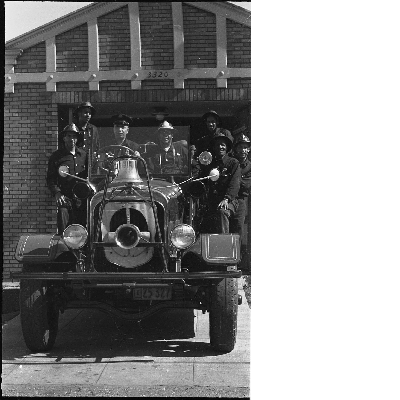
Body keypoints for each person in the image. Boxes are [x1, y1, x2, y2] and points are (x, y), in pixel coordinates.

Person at [194, 133, 240, 234]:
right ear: (214, 147)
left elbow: (234, 184)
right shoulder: (210, 163)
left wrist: (226, 198)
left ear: (227, 147)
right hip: (212, 202)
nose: (220, 147)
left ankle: (224, 246)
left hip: (230, 201)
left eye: (223, 145)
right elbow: (202, 179)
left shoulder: (233, 163)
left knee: (222, 212)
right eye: (217, 145)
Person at [47, 123, 88, 235]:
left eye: (74, 136)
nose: (72, 139)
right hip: (65, 200)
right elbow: (50, 179)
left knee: (83, 231)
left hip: (82, 201)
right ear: (64, 138)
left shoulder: (84, 155)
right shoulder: (56, 156)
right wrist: (57, 194)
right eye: (69, 136)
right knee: (64, 232)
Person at [231, 134, 251, 239]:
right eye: (240, 147)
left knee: (239, 226)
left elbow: (247, 185)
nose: (243, 150)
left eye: (245, 147)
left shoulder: (250, 167)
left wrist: (234, 180)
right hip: (229, 199)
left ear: (249, 149)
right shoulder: (231, 163)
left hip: (242, 200)